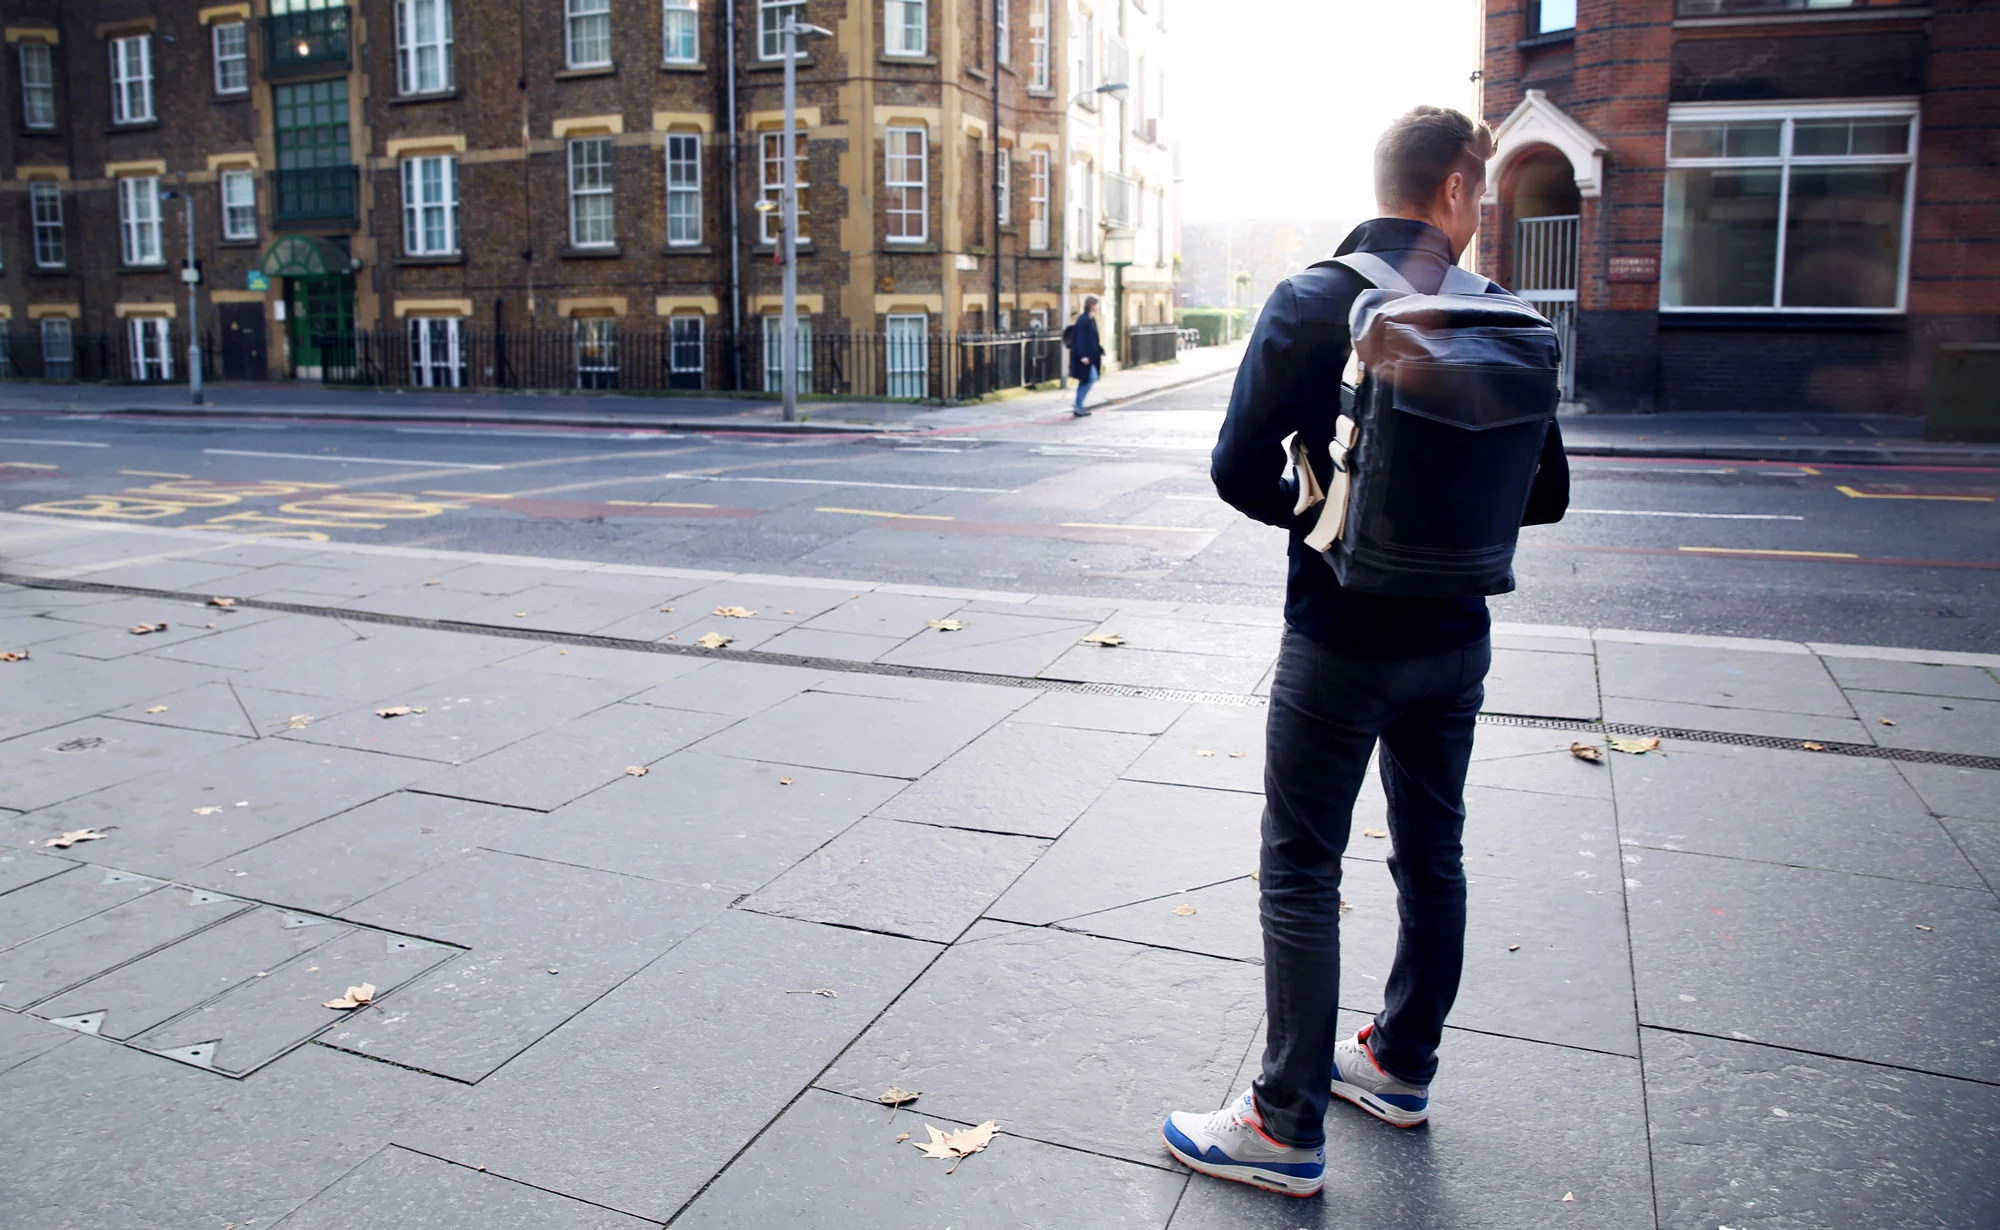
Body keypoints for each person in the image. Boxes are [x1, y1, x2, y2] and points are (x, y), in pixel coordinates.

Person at [1160, 105, 1570, 1197]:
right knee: (1430, 853)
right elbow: (1550, 495)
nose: (1477, 216)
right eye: (1475, 196)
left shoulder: (1310, 300)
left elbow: (1232, 469)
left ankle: (1284, 1124)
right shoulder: (1503, 317)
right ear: (1447, 192)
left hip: (1338, 637)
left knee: (1300, 866)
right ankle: (1397, 1064)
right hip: (1457, 639)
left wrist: (1325, 514)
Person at [1064, 296, 1105, 416]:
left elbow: (1093, 338)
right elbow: (1079, 339)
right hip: (1084, 356)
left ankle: (1079, 405)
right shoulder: (1083, 319)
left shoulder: (1091, 319)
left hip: (1091, 355)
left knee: (1086, 379)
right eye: (1096, 305)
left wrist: (1100, 349)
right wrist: (1082, 356)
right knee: (1091, 378)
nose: (1097, 307)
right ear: (1091, 305)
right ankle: (1078, 405)